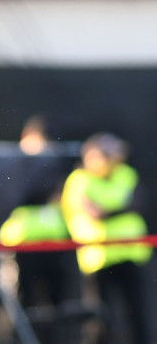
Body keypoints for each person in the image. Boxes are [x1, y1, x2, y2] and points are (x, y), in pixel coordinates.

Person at [61, 133, 152, 344]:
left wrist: (109, 210)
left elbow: (139, 204)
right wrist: (122, 208)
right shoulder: (79, 180)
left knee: (138, 312)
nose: (113, 159)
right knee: (101, 316)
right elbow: (94, 213)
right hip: (99, 257)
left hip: (131, 254)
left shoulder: (125, 174)